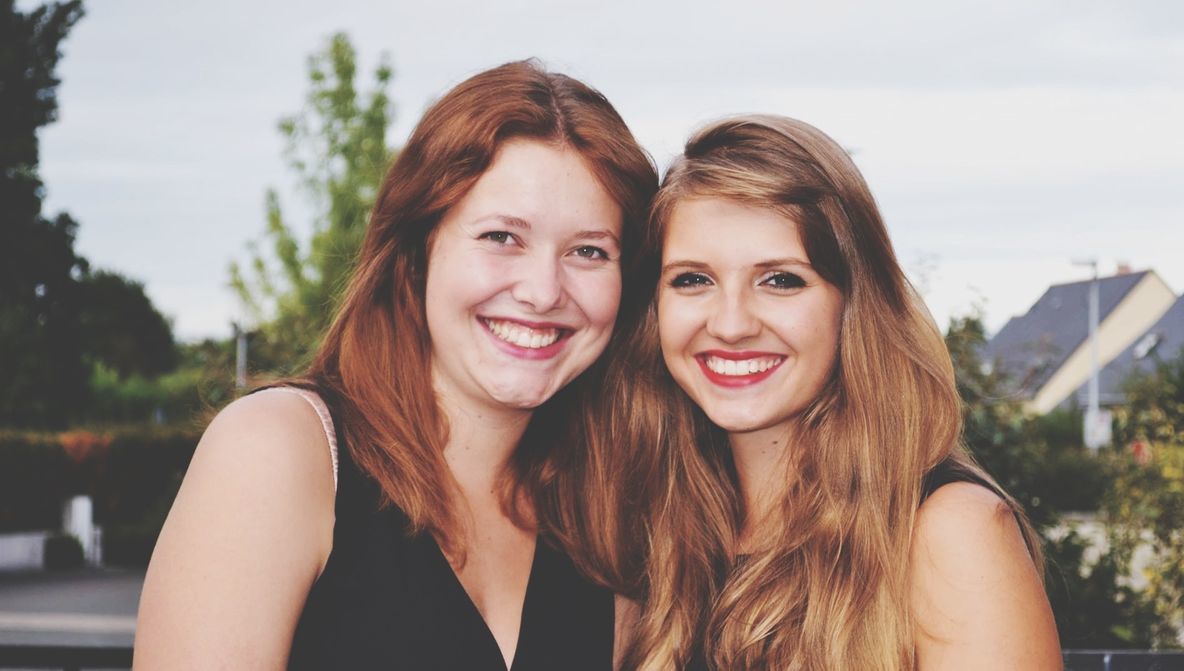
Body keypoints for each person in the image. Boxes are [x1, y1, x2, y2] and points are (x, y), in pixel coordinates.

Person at [134, 60, 658, 670]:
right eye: (501, 237)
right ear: (416, 252)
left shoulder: (613, 516)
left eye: (589, 251)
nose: (544, 291)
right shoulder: (280, 451)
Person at [600, 115, 1061, 670]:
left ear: (854, 305)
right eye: (692, 279)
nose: (731, 323)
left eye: (781, 279)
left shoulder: (949, 534)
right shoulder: (655, 533)